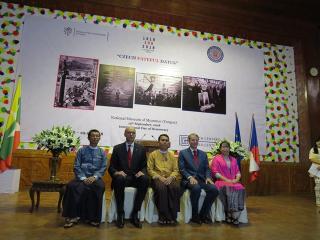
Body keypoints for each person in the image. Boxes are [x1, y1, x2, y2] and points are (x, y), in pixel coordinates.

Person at [62, 129, 107, 228]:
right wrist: (83, 178)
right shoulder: (81, 151)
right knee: (71, 186)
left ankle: (92, 218)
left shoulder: (102, 152)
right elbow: (76, 166)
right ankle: (72, 216)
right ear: (88, 137)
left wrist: (94, 177)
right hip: (81, 178)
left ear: (99, 138)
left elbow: (103, 167)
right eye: (93, 136)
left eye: (97, 136)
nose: (95, 137)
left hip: (95, 179)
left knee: (99, 187)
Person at [108, 126, 148, 228]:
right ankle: (120, 214)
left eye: (133, 133)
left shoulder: (142, 149)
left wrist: (142, 172)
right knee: (119, 179)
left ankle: (135, 213)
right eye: (129, 132)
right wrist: (117, 172)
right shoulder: (117, 148)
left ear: (135, 135)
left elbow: (144, 166)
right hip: (122, 179)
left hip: (135, 178)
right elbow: (111, 167)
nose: (131, 134)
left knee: (145, 179)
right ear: (125, 134)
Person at [179, 133, 219, 224]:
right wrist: (189, 177)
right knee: (196, 188)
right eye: (193, 140)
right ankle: (195, 216)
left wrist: (208, 177)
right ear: (188, 141)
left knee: (214, 189)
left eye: (196, 140)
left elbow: (207, 168)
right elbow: (182, 169)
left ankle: (203, 215)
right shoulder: (183, 153)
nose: (195, 142)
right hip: (188, 180)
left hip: (201, 180)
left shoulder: (203, 154)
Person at [147, 134, 181, 225]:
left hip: (170, 178)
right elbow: (149, 169)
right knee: (162, 189)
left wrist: (171, 177)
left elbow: (176, 170)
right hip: (157, 178)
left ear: (168, 143)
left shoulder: (172, 155)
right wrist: (159, 177)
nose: (164, 142)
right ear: (158, 142)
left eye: (166, 140)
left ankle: (173, 216)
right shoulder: (153, 154)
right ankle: (163, 215)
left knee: (176, 187)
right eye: (162, 140)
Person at [211, 140, 245, 225]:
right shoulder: (216, 158)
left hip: (233, 181)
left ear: (229, 148)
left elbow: (238, 172)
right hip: (221, 181)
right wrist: (227, 180)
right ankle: (229, 214)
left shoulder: (233, 159)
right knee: (228, 188)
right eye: (223, 147)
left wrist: (236, 180)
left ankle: (235, 214)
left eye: (227, 147)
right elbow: (216, 173)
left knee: (240, 188)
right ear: (220, 149)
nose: (225, 149)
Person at [308, 138, 320, 206]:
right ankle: (318, 202)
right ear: (316, 142)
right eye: (318, 142)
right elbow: (312, 158)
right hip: (316, 168)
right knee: (318, 185)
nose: (319, 143)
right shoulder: (313, 149)